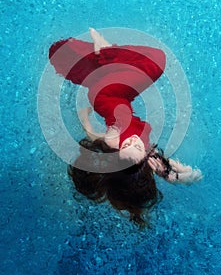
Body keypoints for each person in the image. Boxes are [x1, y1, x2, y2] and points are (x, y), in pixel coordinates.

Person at [49, 28, 202, 226]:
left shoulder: (114, 142)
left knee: (157, 61)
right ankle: (100, 63)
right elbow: (171, 168)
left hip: (107, 95)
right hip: (110, 95)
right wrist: (178, 175)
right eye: (139, 151)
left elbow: (94, 137)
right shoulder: (137, 161)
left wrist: (84, 120)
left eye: (128, 148)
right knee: (59, 54)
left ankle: (106, 52)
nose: (134, 142)